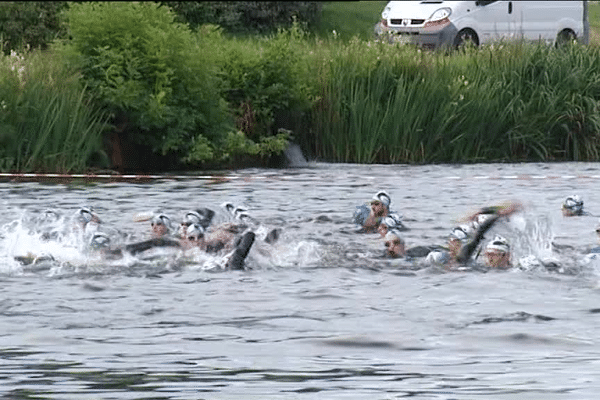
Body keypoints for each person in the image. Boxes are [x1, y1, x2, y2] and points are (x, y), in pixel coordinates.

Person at [425, 201, 523, 268]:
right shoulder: (441, 255)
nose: (458, 245)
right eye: (454, 241)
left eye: (459, 242)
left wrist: (498, 214)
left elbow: (480, 233)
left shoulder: (464, 258)